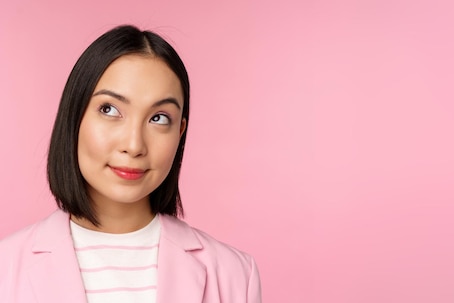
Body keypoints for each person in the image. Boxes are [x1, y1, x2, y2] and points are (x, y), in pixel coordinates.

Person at [0, 25, 262, 303]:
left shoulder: (235, 274)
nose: (134, 145)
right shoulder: (6, 268)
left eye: (159, 118)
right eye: (109, 110)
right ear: (74, 116)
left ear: (180, 132)